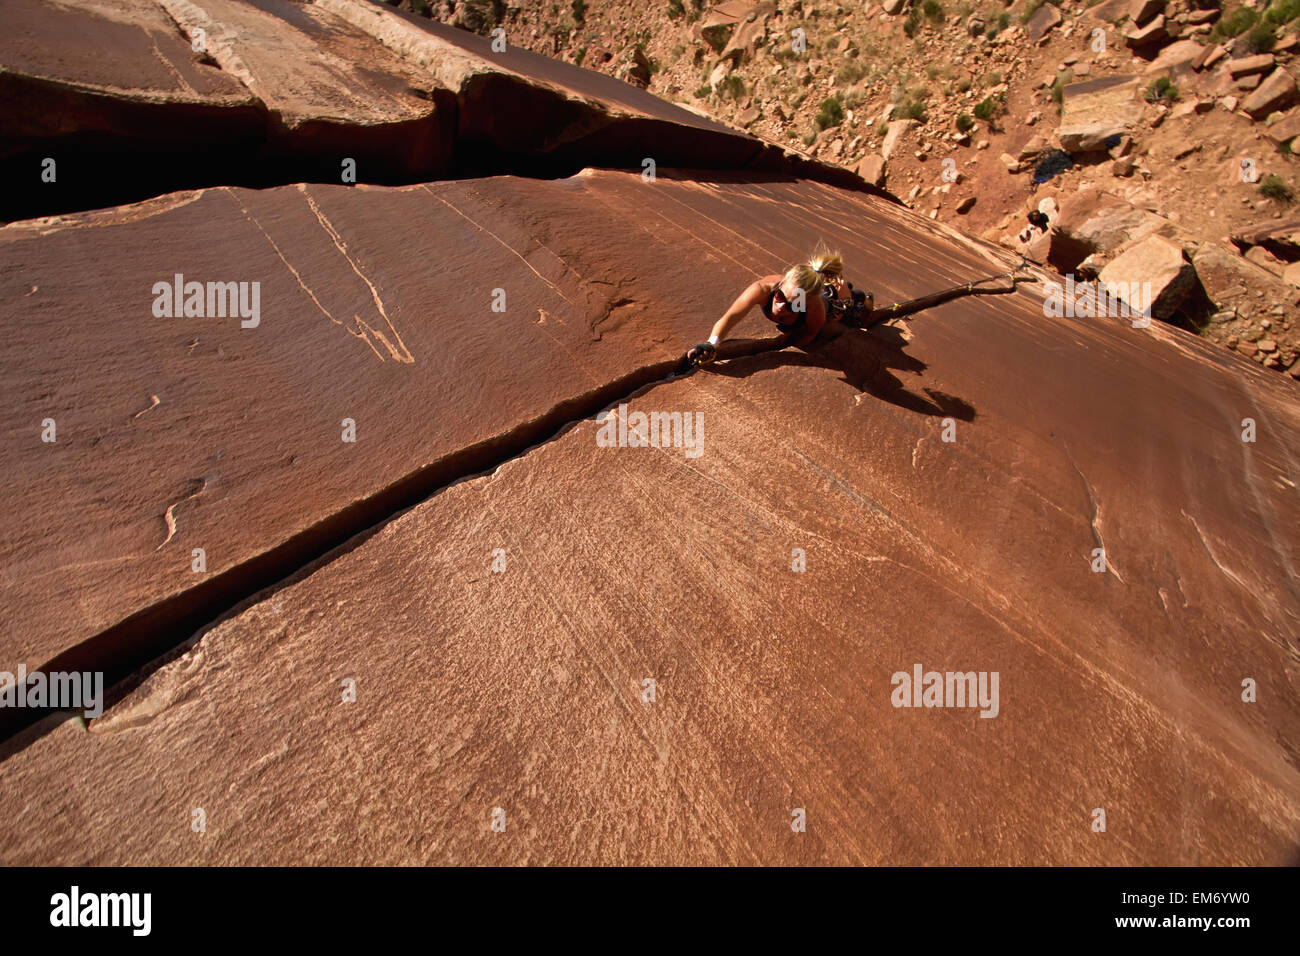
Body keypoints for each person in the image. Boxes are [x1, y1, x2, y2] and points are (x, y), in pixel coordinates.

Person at [684, 246, 872, 366]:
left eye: (793, 305)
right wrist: (711, 344)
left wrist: (792, 342)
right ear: (780, 285)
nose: (781, 306)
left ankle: (861, 299)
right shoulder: (762, 290)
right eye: (781, 296)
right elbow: (730, 317)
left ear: (805, 303)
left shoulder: (814, 306)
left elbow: (812, 332)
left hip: (833, 303)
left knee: (852, 311)